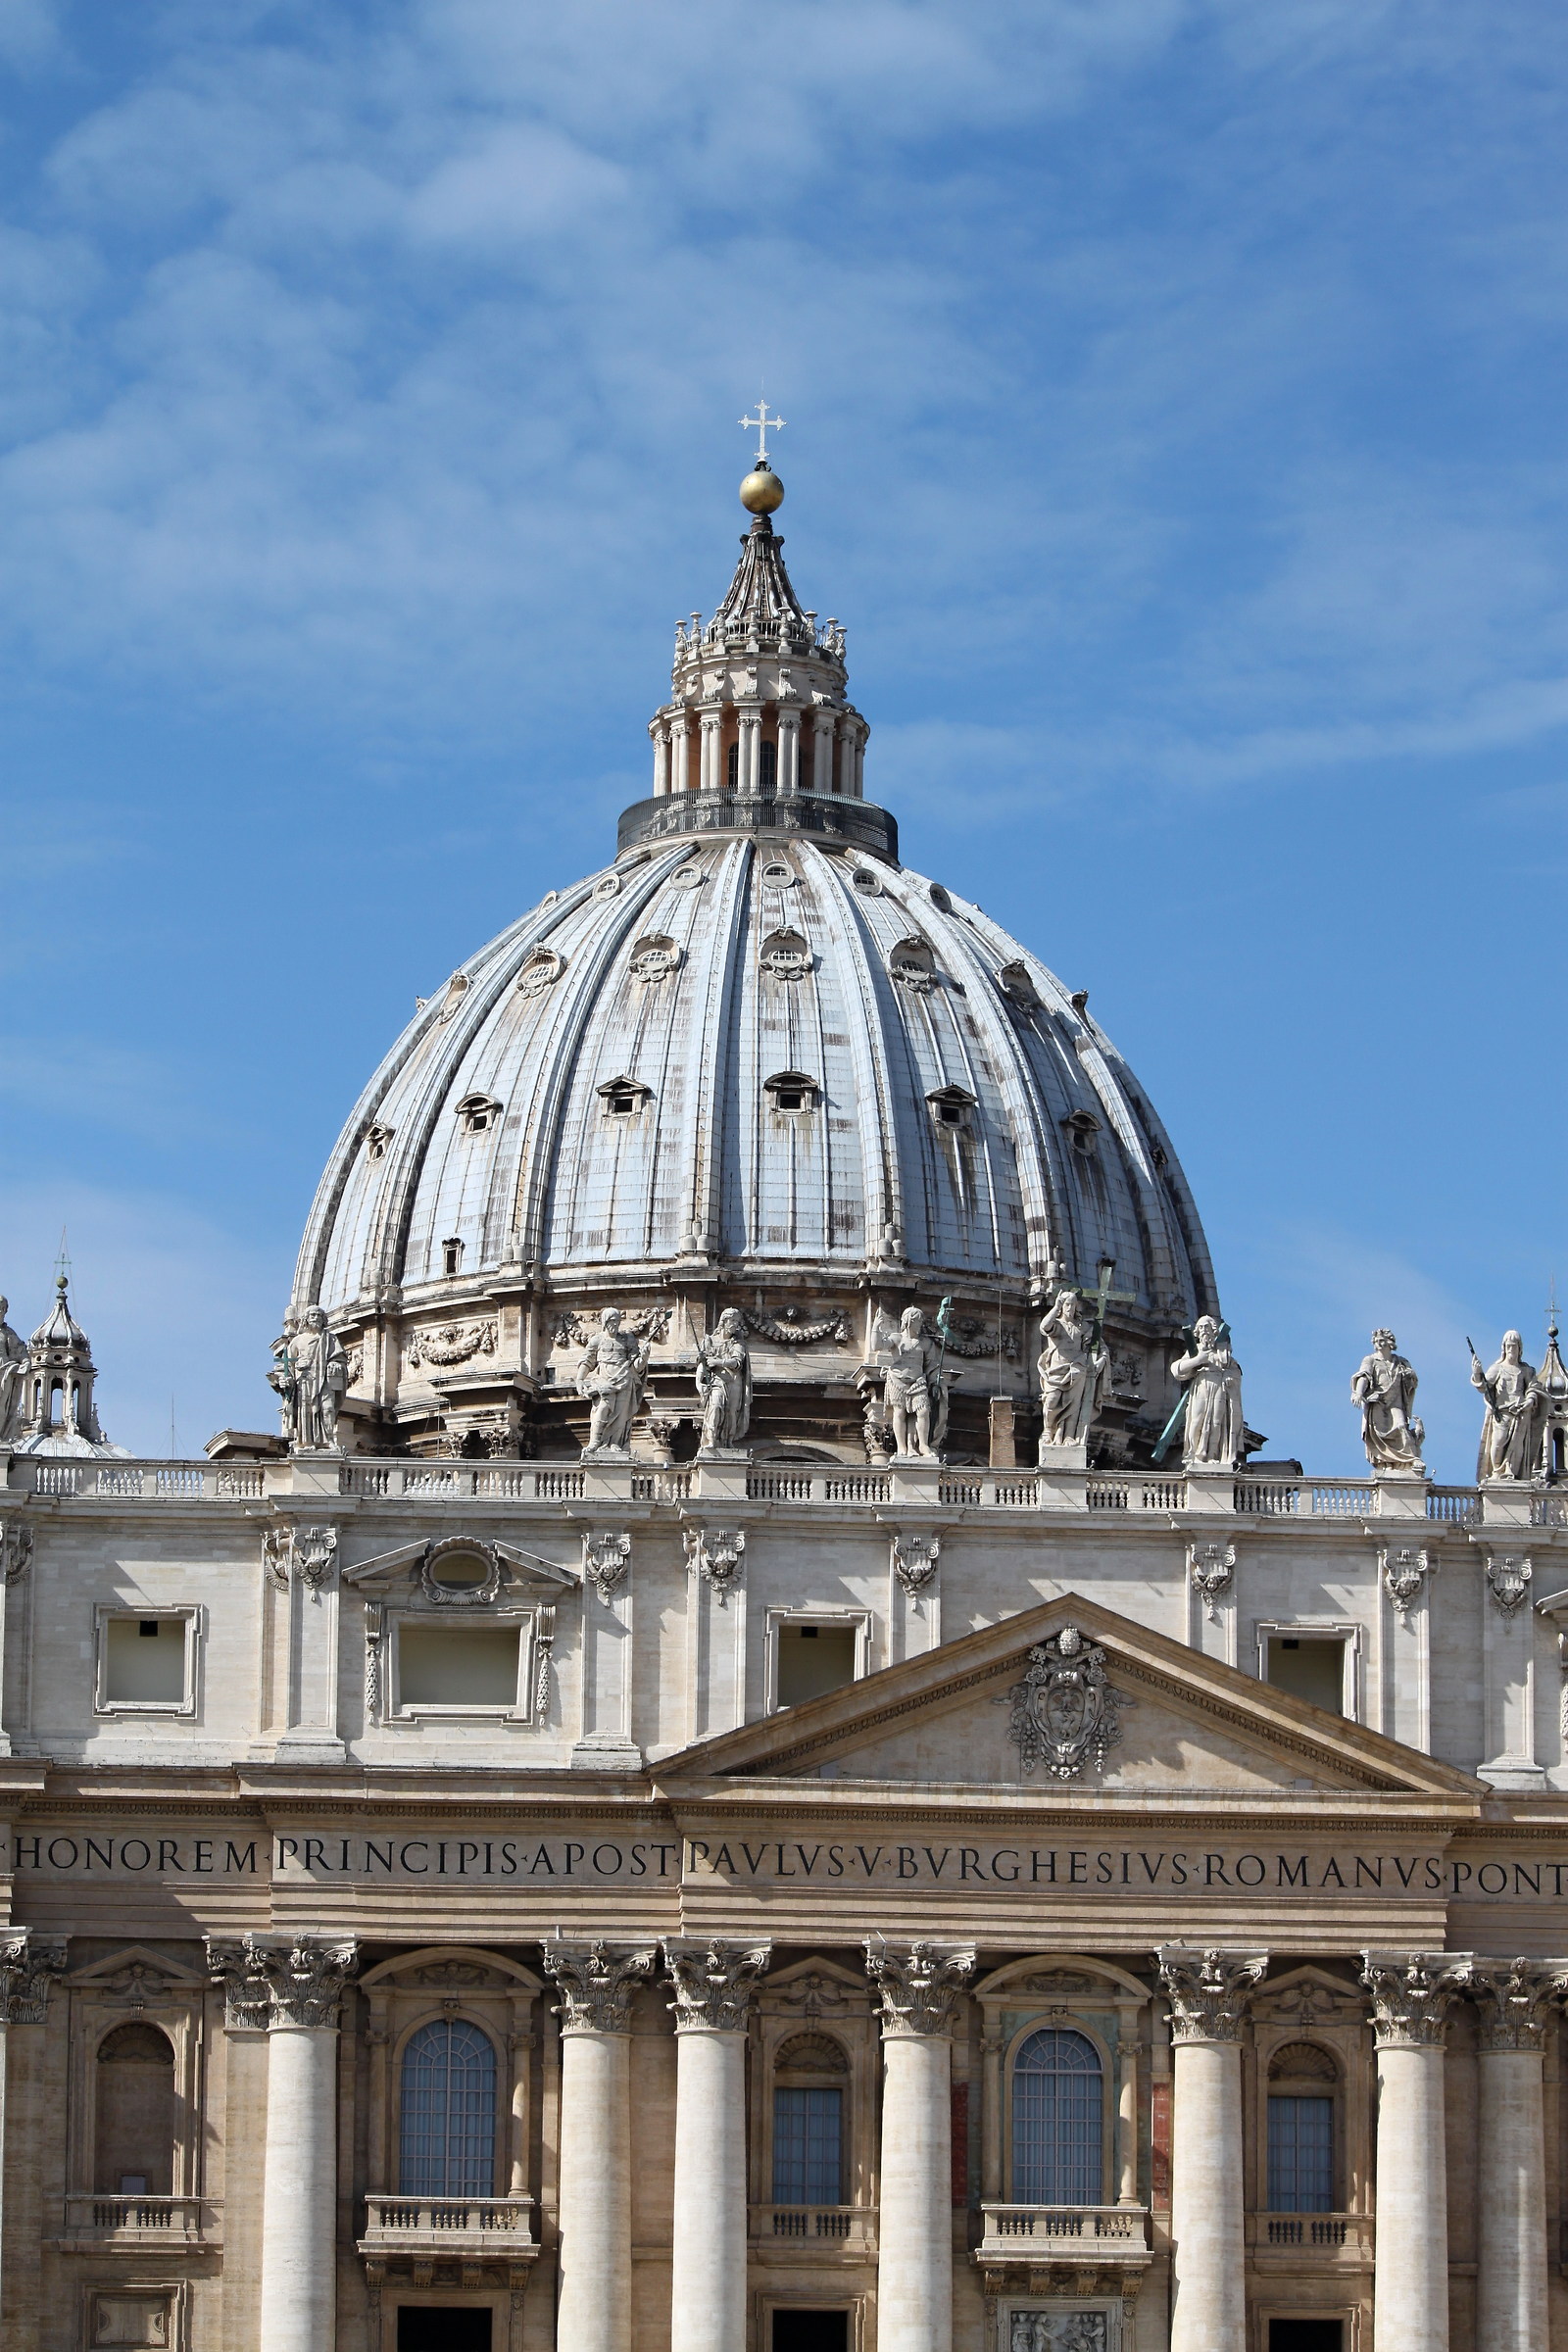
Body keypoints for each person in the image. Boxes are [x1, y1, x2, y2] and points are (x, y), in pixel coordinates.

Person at [1036, 1286, 1107, 1453]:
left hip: (1077, 1368)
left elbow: (1100, 1347)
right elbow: (1044, 1326)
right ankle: (1048, 1431)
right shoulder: (1057, 1325)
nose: (1069, 1308)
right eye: (1066, 1305)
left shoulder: (1082, 1327)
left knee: (1073, 1405)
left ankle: (1068, 1435)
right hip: (1055, 1370)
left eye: (1072, 1305)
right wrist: (1055, 1307)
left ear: (1077, 1307)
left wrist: (1100, 1361)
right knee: (1051, 1401)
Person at [1170, 1315, 1245, 1469]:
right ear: (1197, 1331)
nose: (1204, 1330)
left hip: (1219, 1388)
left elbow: (1235, 1370)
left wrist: (1231, 1378)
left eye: (1207, 1327)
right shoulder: (1196, 1351)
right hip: (1202, 1387)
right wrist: (1198, 1360)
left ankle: (1211, 1456)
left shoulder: (1223, 1353)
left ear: (1214, 1331)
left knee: (1216, 1422)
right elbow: (1176, 1369)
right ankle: (1196, 1453)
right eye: (1201, 1327)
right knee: (1197, 1421)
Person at [271, 1305, 348, 1450]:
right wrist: (284, 1379)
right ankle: (307, 1442)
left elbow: (340, 1359)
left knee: (328, 1408)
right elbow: (286, 1366)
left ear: (324, 1319)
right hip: (304, 1381)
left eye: (319, 1315)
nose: (315, 1318)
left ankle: (328, 1440)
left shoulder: (331, 1339)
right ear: (305, 1319)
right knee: (306, 1412)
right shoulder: (297, 1341)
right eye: (312, 1315)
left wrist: (335, 1365)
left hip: (325, 1380)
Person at [578, 1307, 651, 1457]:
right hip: (603, 1380)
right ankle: (595, 1442)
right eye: (611, 1321)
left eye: (617, 1321)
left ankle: (615, 1444)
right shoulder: (597, 1340)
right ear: (604, 1322)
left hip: (624, 1379)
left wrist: (644, 1357)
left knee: (621, 1414)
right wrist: (579, 1379)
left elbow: (635, 1366)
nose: (615, 1324)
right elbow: (588, 1361)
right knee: (602, 1409)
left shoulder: (627, 1339)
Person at [1472, 1330, 1542, 1482]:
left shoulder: (1526, 1370)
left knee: (1517, 1447)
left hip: (1521, 1413)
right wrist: (1477, 1373)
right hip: (1502, 1413)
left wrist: (1529, 1401)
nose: (1511, 1350)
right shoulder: (1497, 1368)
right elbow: (1484, 1385)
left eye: (1514, 1346)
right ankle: (1497, 1472)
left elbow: (1533, 1388)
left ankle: (1512, 1474)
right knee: (1498, 1442)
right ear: (1504, 1348)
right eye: (1509, 1346)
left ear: (1519, 1348)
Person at [1351, 1329, 1425, 1470]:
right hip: (1377, 1400)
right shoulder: (1370, 1360)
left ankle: (1410, 1459)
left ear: (1389, 1342)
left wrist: (1409, 1376)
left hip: (1396, 1402)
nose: (1378, 1344)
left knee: (1401, 1426)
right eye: (1376, 1341)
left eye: (1382, 1341)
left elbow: (1412, 1382)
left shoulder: (1401, 1362)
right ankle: (1385, 1463)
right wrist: (1359, 1393)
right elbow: (1364, 1376)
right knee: (1379, 1432)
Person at [882, 1306, 948, 1459]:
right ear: (909, 1321)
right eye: (918, 1321)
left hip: (918, 1381)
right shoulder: (897, 1338)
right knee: (899, 1412)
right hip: (898, 1380)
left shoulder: (925, 1343)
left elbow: (932, 1365)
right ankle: (902, 1447)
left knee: (923, 1411)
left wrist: (936, 1381)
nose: (921, 1325)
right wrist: (876, 1328)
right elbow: (878, 1345)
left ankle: (923, 1445)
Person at [695, 1308, 752, 1450]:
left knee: (731, 1414)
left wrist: (717, 1362)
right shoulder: (709, 1341)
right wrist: (698, 1383)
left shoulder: (739, 1344)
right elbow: (702, 1365)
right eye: (732, 1321)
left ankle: (728, 1442)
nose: (735, 1325)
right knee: (716, 1407)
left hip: (734, 1381)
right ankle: (712, 1440)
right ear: (724, 1321)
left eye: (737, 1322)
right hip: (717, 1382)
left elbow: (736, 1363)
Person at [0, 1299, 25, 1445]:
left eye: (2, 1309)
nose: (0, 1312)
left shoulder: (9, 1333)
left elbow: (20, 1350)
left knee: (2, 1406)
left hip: (4, 1371)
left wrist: (26, 1361)